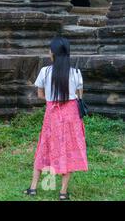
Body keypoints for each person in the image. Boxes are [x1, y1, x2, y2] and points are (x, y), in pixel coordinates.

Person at [24, 37, 88, 200]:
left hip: (52, 114)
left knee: (45, 147)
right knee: (69, 150)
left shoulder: (45, 71)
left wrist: (52, 100)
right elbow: (80, 95)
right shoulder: (76, 73)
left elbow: (40, 95)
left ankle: (33, 188)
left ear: (53, 53)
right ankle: (63, 192)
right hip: (71, 115)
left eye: (49, 49)